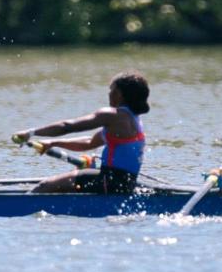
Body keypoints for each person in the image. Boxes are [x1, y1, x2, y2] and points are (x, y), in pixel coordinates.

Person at [12, 72, 150, 193]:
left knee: (44, 186)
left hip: (108, 181)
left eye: (111, 89)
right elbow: (89, 142)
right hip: (125, 184)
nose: (109, 93)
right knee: (66, 184)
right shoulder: (134, 120)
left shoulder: (111, 115)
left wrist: (30, 133)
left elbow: (66, 126)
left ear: (119, 94)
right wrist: (53, 143)